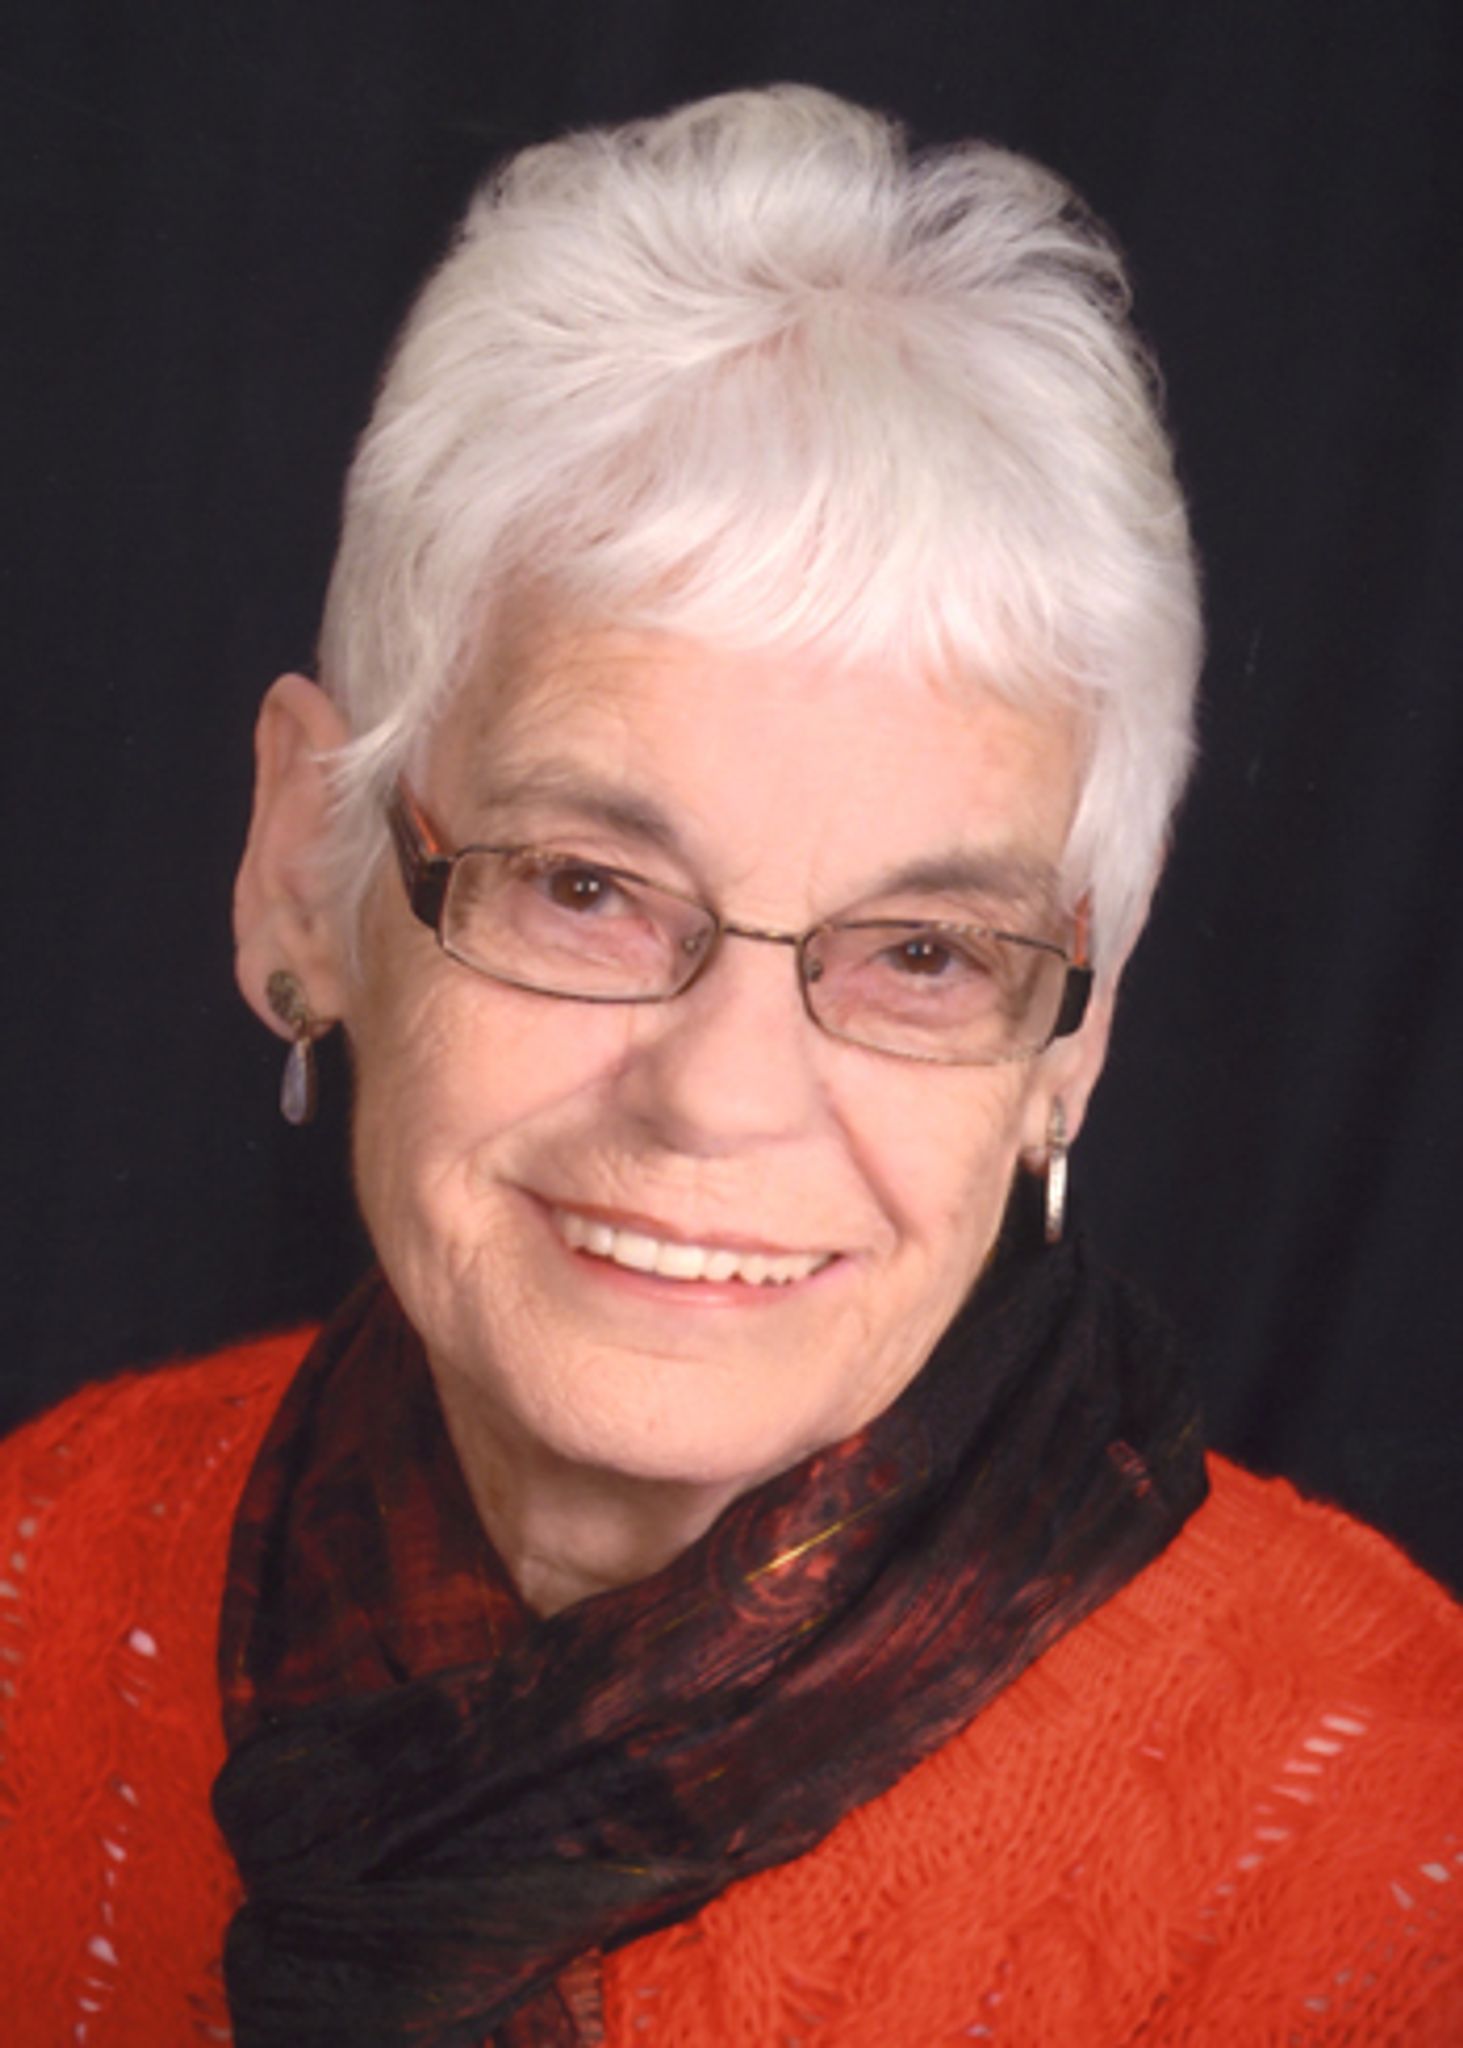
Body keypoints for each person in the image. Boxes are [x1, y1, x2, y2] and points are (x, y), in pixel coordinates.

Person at [1, 85, 1458, 2048]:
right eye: (587, 886)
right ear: (301, 869)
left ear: (1074, 1032)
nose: (721, 1095)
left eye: (925, 950)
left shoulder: (1387, 1839)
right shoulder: (33, 1579)